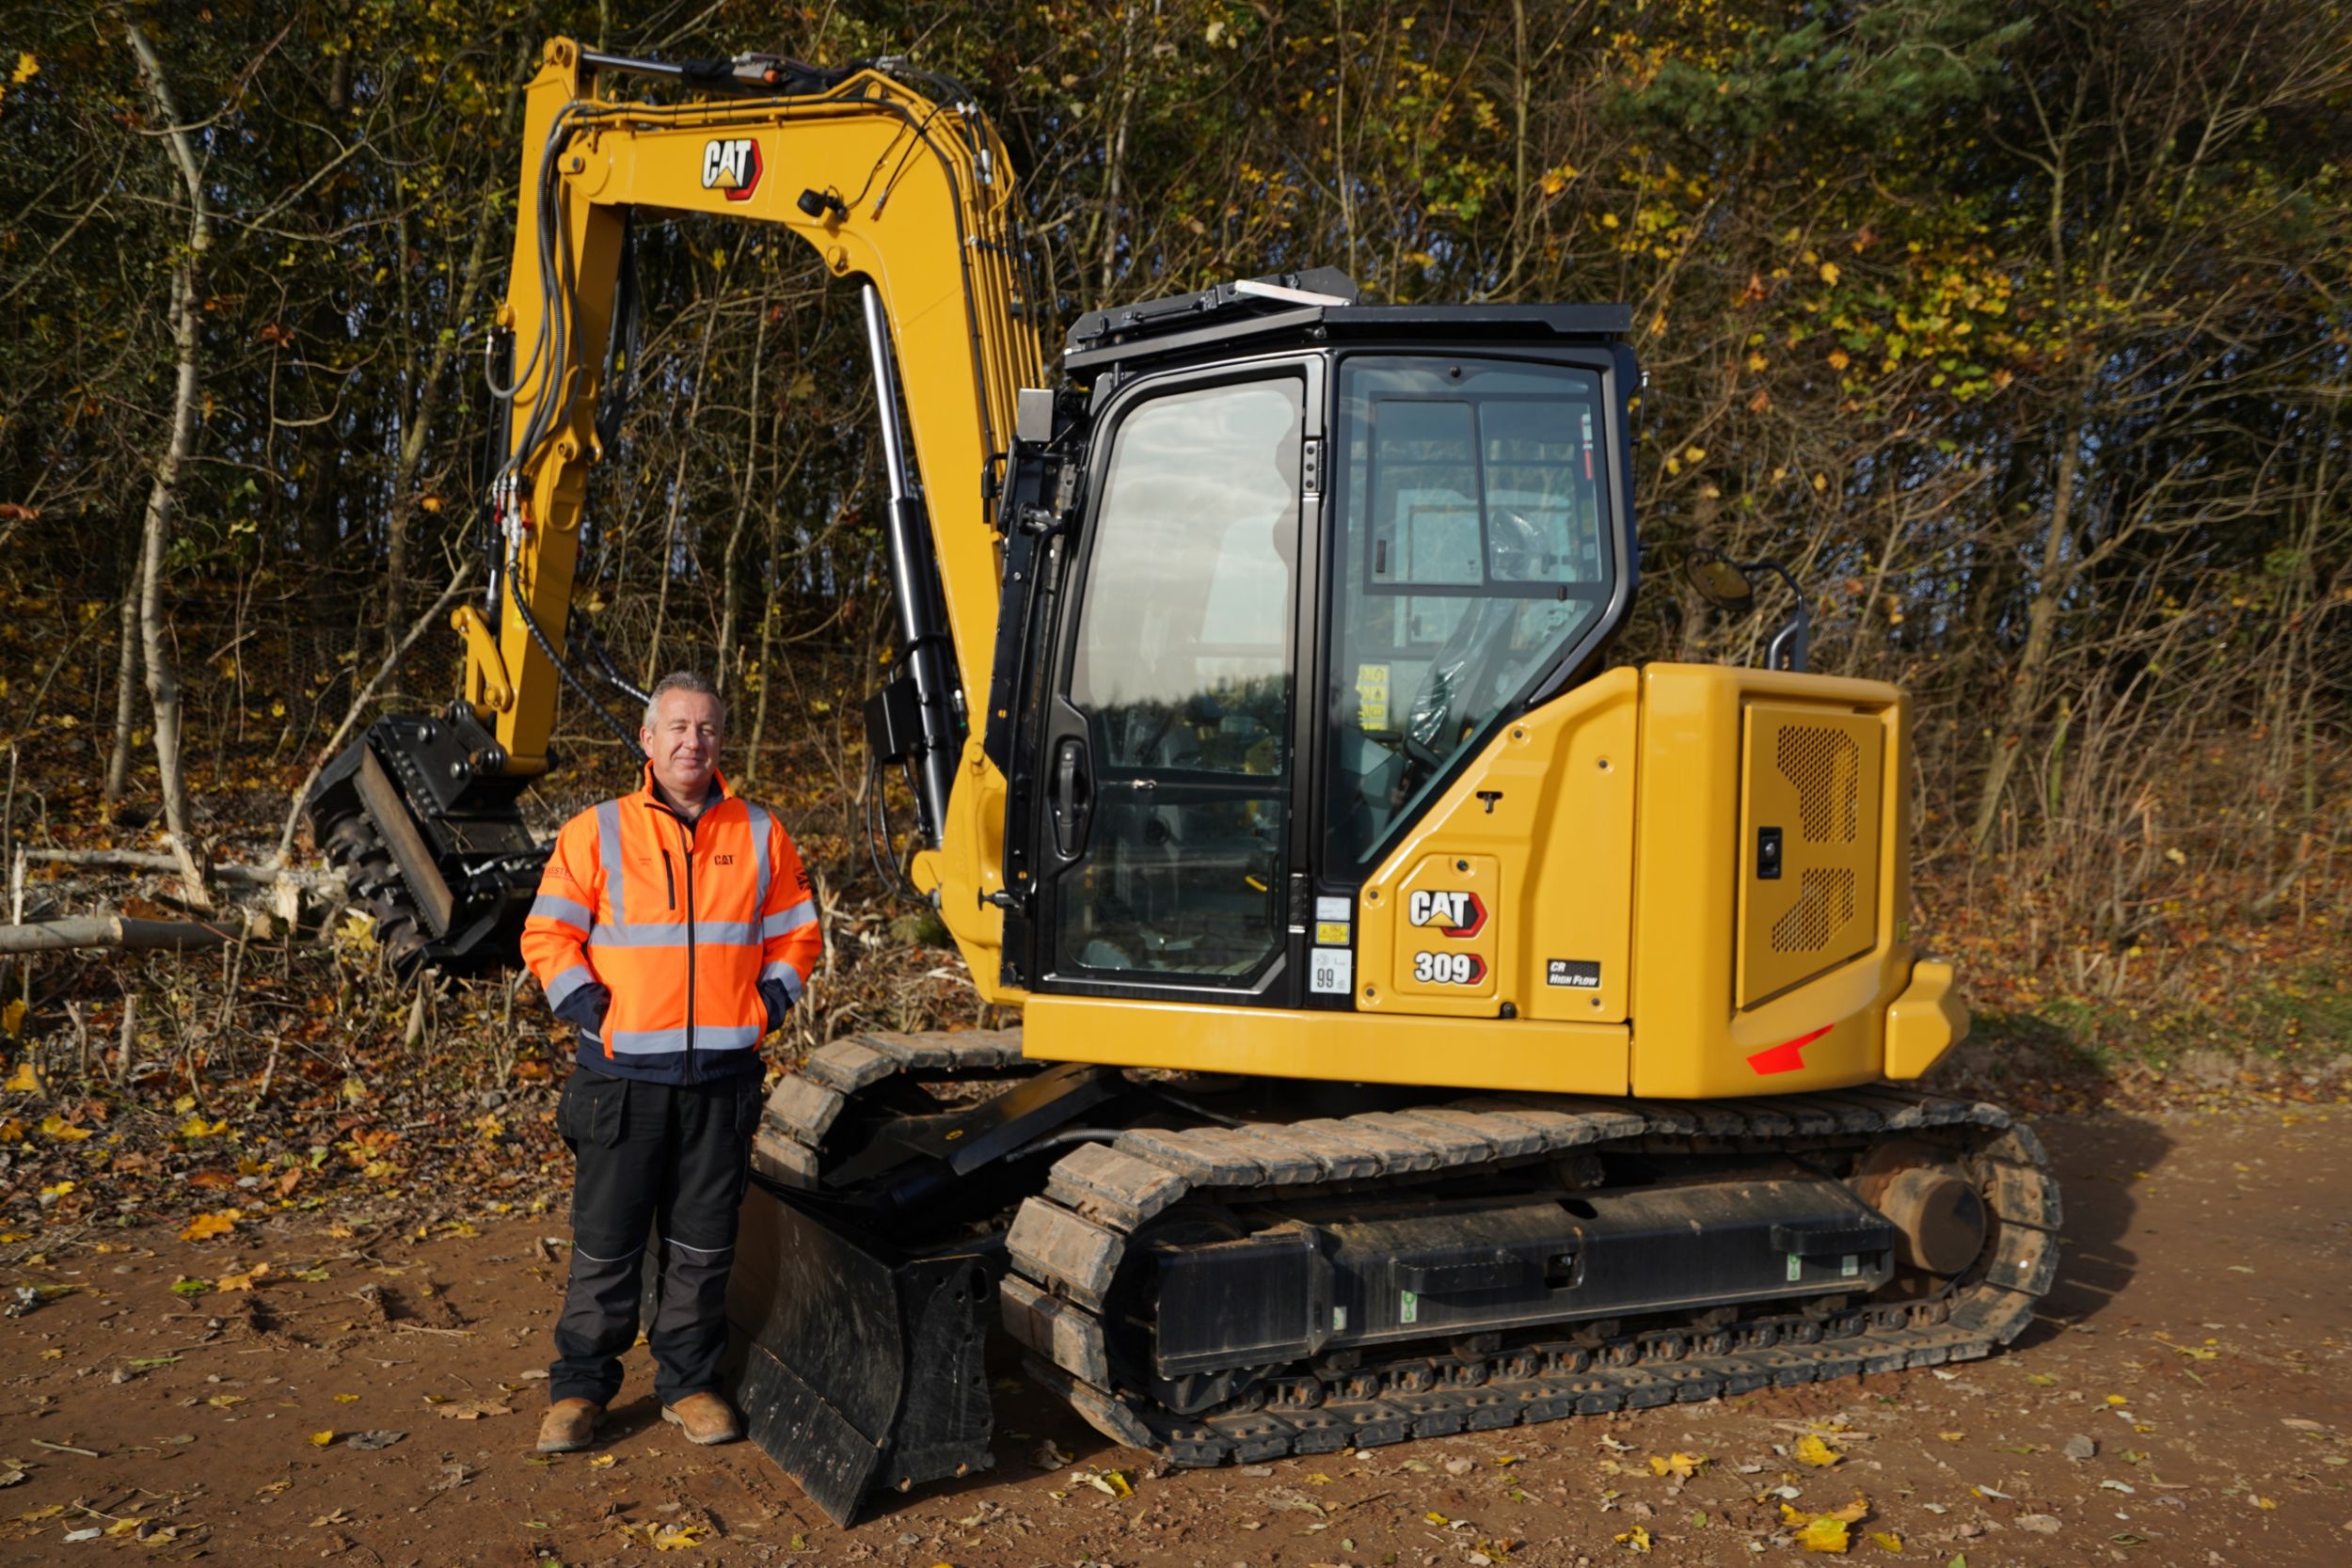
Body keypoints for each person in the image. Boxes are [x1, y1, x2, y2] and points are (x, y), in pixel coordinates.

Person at [519, 670, 821, 1453]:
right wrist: (594, 1009)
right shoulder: (598, 830)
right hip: (621, 1081)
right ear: (648, 741)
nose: (695, 740)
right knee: (607, 1241)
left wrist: (767, 1006)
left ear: (722, 741)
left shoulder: (760, 831)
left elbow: (798, 935)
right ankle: (581, 1389)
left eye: (708, 728)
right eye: (679, 727)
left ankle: (688, 1384)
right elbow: (548, 935)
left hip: (721, 1083)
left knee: (702, 1244)